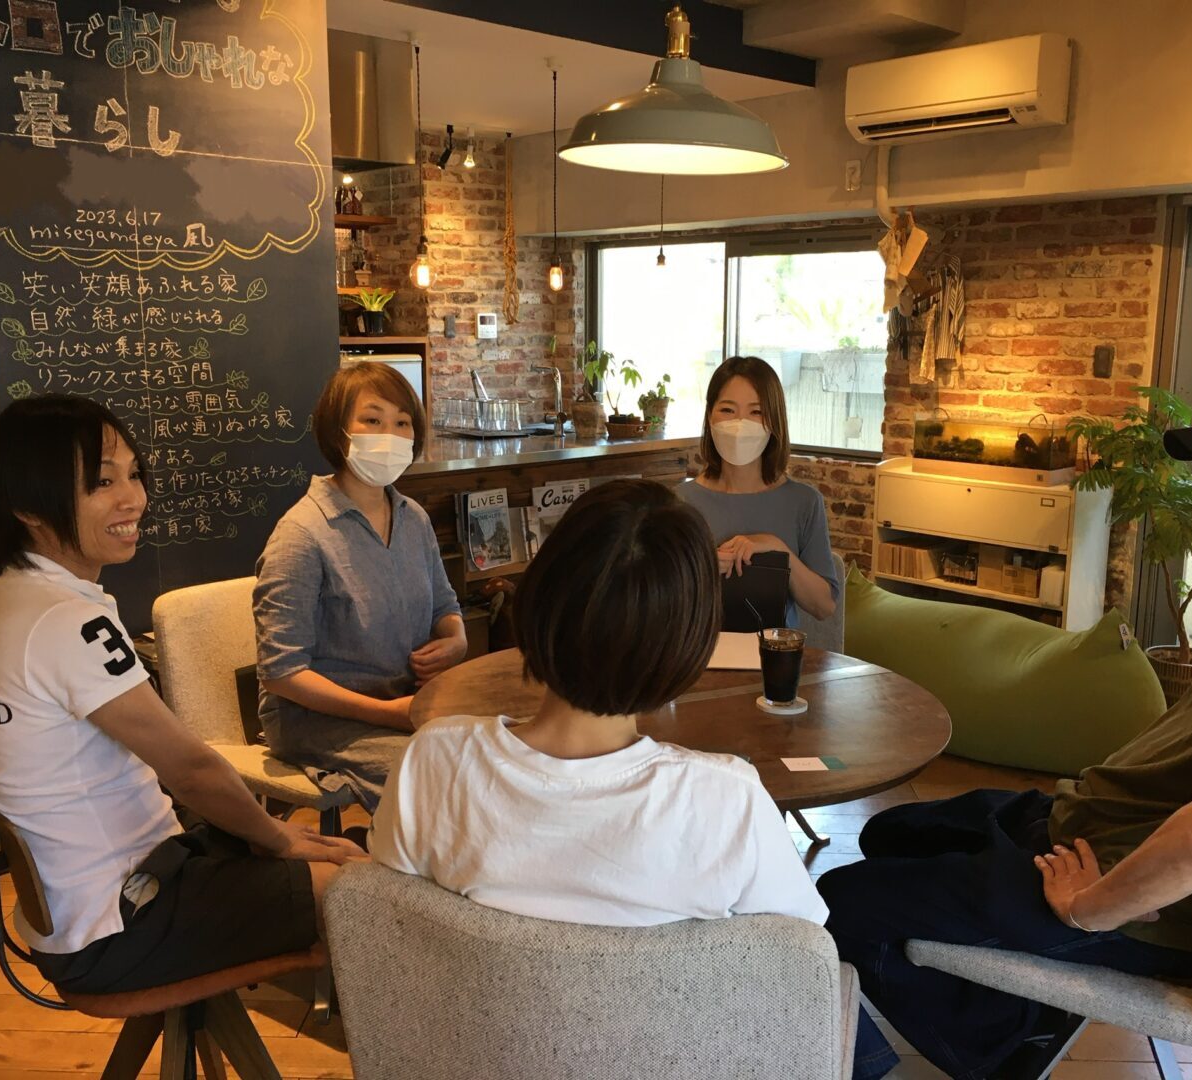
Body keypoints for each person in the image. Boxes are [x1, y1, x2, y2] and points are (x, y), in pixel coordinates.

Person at [368, 479, 896, 1071]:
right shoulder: (726, 798)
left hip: (485, 1055)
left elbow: (398, 924)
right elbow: (799, 961)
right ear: (689, 642)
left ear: (538, 596)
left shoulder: (432, 762)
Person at [0, 396, 364, 995]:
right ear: (27, 506)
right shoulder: (65, 621)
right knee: (365, 891)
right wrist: (278, 836)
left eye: (134, 474)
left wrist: (267, 836)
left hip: (97, 899)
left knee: (340, 853)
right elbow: (191, 769)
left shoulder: (9, 599)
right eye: (102, 482)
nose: (133, 499)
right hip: (118, 924)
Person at [817, 693, 1192, 1080]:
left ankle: (1006, 1053)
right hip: (1071, 818)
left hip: (1120, 898)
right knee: (888, 833)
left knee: (840, 906)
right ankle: (1012, 1011)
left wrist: (1088, 909)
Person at [254, 363, 466, 811]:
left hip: (402, 701)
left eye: (402, 423)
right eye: (372, 419)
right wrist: (390, 713)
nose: (390, 435)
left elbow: (445, 608)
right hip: (316, 720)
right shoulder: (302, 534)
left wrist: (456, 640)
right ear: (338, 431)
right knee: (443, 776)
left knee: (497, 753)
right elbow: (281, 673)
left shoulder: (413, 518)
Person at [676, 355, 838, 628]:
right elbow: (658, 605)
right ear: (710, 416)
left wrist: (777, 549)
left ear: (774, 421)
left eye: (756, 412)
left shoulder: (804, 502)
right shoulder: (681, 502)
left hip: (774, 653)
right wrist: (702, 570)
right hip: (700, 652)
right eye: (728, 410)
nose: (740, 423)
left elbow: (824, 606)